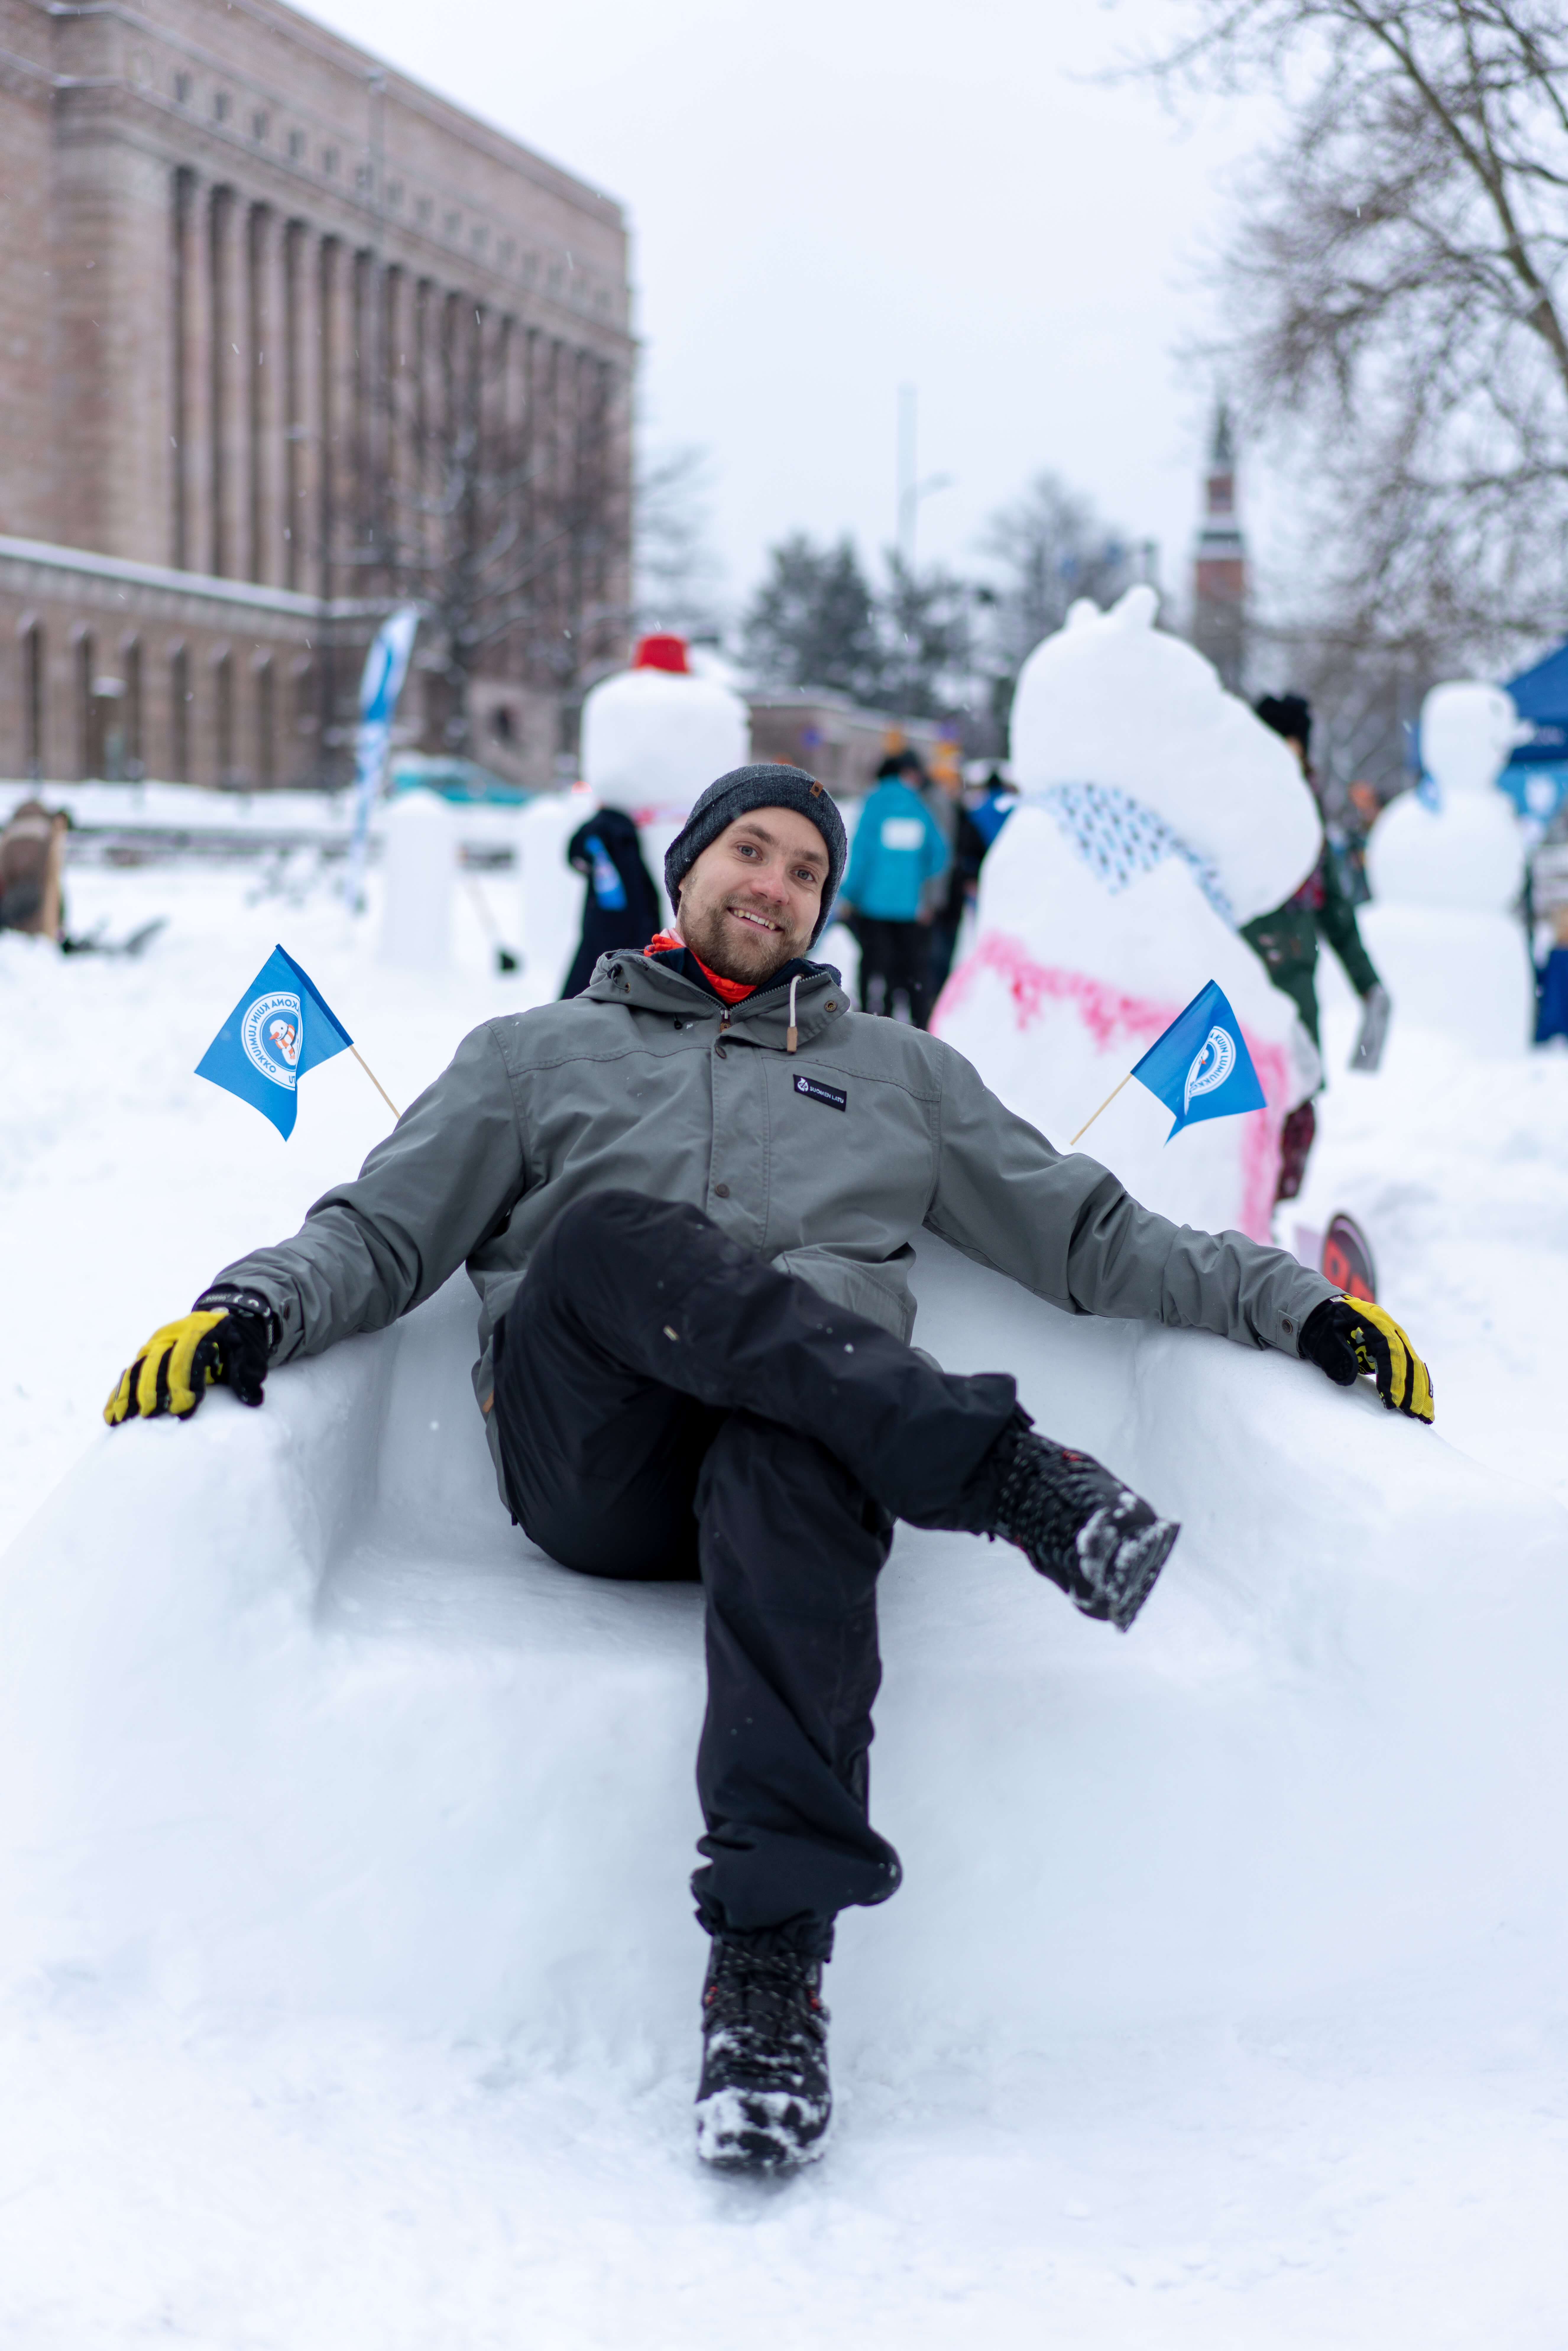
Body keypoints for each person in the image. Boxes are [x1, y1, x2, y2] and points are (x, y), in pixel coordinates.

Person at [104, 760, 1433, 2175]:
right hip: (593, 1455)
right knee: (610, 1234)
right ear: (685, 867)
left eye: (806, 871)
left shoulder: (903, 1075)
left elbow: (1093, 1233)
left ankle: (765, 1984)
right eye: (750, 849)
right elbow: (380, 1230)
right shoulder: (532, 1053)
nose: (775, 885)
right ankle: (1007, 1477)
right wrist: (250, 1307)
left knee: (789, 1436)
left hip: (805, 1458)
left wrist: (1296, 1304)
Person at [1242, 696, 1388, 1202]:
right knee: (1240, 1119)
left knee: (1297, 1120)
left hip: (1296, 987)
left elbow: (1337, 914)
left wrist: (1367, 984)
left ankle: (1273, 1219)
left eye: (1292, 746)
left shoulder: (1307, 819)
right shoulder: (1230, 811)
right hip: (1239, 985)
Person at [838, 751, 950, 1027]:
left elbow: (862, 855)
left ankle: (869, 1017)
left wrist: (851, 895)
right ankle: (918, 1022)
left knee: (872, 963)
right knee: (912, 965)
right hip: (910, 906)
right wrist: (916, 880)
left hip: (873, 905)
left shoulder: (874, 803)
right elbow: (939, 854)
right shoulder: (918, 805)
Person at [560, 804, 661, 999]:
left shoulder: (601, 835)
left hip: (610, 920)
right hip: (621, 921)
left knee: (590, 977)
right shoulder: (615, 832)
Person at [0, 798, 68, 938]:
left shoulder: (12, 832)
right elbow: (52, 883)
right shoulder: (48, 834)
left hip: (14, 893)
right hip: (32, 893)